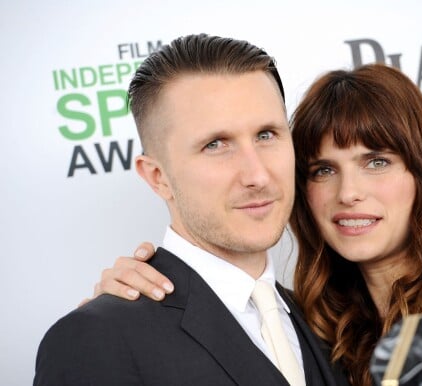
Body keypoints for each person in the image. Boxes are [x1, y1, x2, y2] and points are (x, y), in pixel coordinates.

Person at [92, 63, 422, 386]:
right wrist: (124, 316)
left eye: (377, 161)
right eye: (323, 170)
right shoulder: (316, 319)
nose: (349, 193)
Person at [34, 33, 349, 386]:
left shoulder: (328, 324)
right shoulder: (97, 340)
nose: (257, 175)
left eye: (266, 135)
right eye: (215, 144)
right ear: (157, 177)